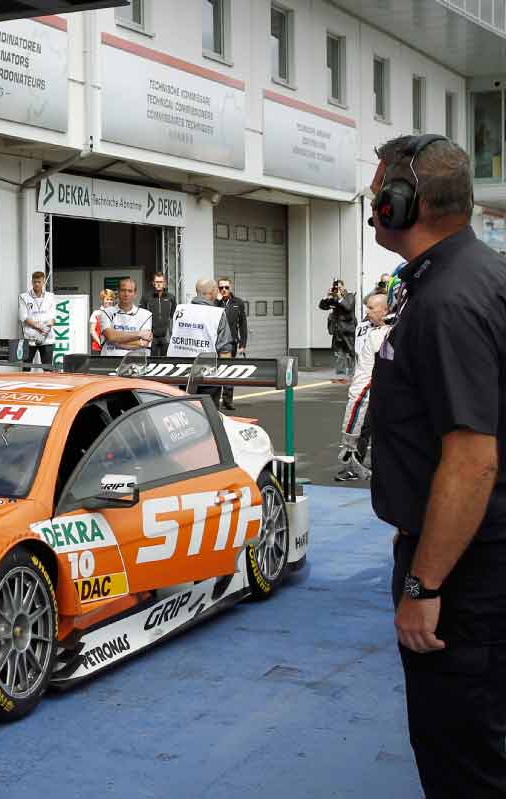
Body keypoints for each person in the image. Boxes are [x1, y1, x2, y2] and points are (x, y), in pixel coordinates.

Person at [368, 133, 506, 797]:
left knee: (464, 760)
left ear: (402, 204)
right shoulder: (475, 276)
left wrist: (424, 586)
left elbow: (472, 458)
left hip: (462, 578)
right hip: (479, 565)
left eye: (376, 194)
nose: (371, 206)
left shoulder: (448, 301)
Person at [335, 292, 391, 482]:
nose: (367, 312)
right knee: (367, 425)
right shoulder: (365, 328)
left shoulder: (405, 328)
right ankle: (355, 462)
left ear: (387, 309)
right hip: (376, 387)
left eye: (371, 308)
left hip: (393, 394)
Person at [167, 278, 232, 409]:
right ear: (213, 292)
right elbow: (225, 350)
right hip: (208, 376)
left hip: (183, 374)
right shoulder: (217, 314)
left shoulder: (180, 310)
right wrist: (226, 381)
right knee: (209, 415)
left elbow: (170, 338)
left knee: (187, 412)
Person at [216, 277, 248, 410]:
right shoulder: (214, 303)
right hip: (216, 343)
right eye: (221, 288)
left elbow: (243, 324)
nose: (224, 290)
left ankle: (228, 400)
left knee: (229, 371)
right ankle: (215, 399)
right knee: (216, 370)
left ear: (231, 288)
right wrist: (216, 302)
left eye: (226, 287)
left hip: (232, 342)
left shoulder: (238, 303)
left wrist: (243, 343)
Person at [100, 278, 153, 356]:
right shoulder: (106, 312)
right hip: (109, 363)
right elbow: (111, 336)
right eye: (123, 290)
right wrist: (139, 334)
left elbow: (144, 342)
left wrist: (116, 340)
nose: (126, 294)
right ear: (118, 292)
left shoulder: (146, 315)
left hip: (136, 363)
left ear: (135, 294)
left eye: (130, 291)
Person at [318, 279, 356, 376]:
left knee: (350, 352)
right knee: (339, 353)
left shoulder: (350, 296)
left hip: (348, 330)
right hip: (338, 330)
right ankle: (340, 374)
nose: (338, 290)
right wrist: (328, 296)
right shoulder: (333, 298)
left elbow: (348, 307)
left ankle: (352, 373)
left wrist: (339, 297)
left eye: (340, 288)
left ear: (344, 287)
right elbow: (322, 306)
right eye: (336, 288)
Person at [19, 270, 56, 369]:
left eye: (39, 282)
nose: (36, 284)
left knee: (47, 369)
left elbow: (52, 317)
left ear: (44, 282)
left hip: (47, 339)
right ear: (32, 282)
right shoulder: (24, 297)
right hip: (30, 338)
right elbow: (23, 317)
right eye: (34, 282)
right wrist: (39, 327)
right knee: (26, 368)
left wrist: (44, 330)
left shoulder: (50, 296)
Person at [141, 272, 177, 357]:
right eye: (156, 282)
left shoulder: (171, 297)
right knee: (152, 360)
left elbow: (174, 317)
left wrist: (172, 333)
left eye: (160, 282)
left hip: (166, 335)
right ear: (153, 283)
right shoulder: (146, 297)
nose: (158, 284)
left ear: (164, 283)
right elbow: (141, 317)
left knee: (166, 360)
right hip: (151, 335)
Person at [89, 289, 115, 355]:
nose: (109, 301)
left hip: (113, 348)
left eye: (111, 299)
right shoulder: (96, 313)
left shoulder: (116, 314)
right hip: (98, 348)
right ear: (102, 300)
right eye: (107, 299)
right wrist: (100, 343)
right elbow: (92, 331)